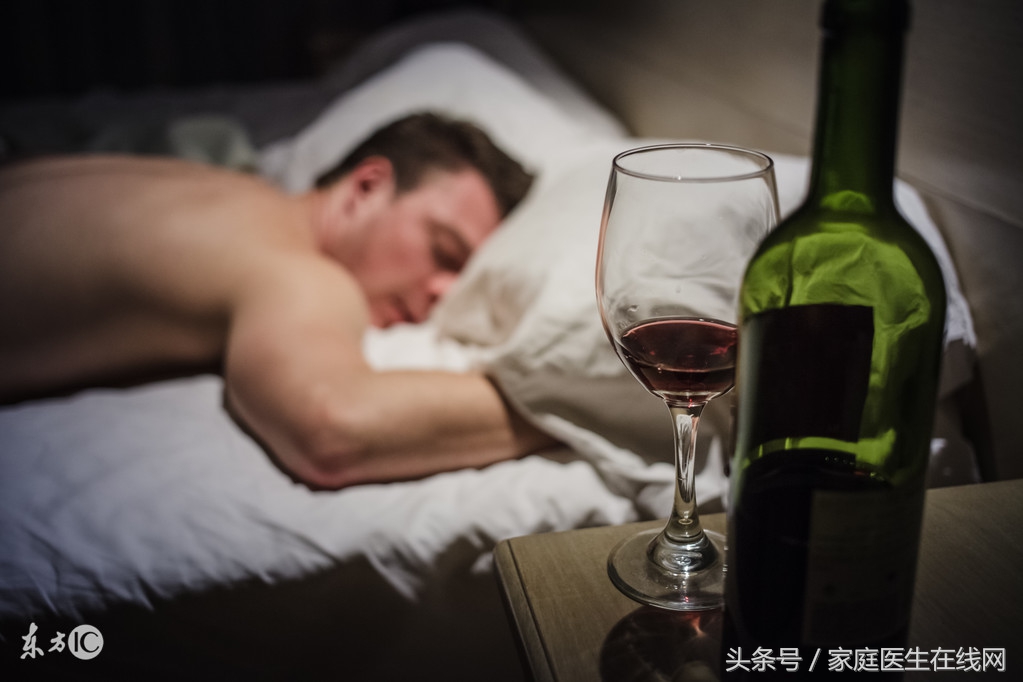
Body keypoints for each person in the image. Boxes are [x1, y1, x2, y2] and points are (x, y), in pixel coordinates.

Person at [0, 112, 555, 488]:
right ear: (366, 186)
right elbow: (335, 426)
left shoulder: (236, 194)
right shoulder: (297, 269)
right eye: (443, 250)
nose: (444, 292)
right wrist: (560, 406)